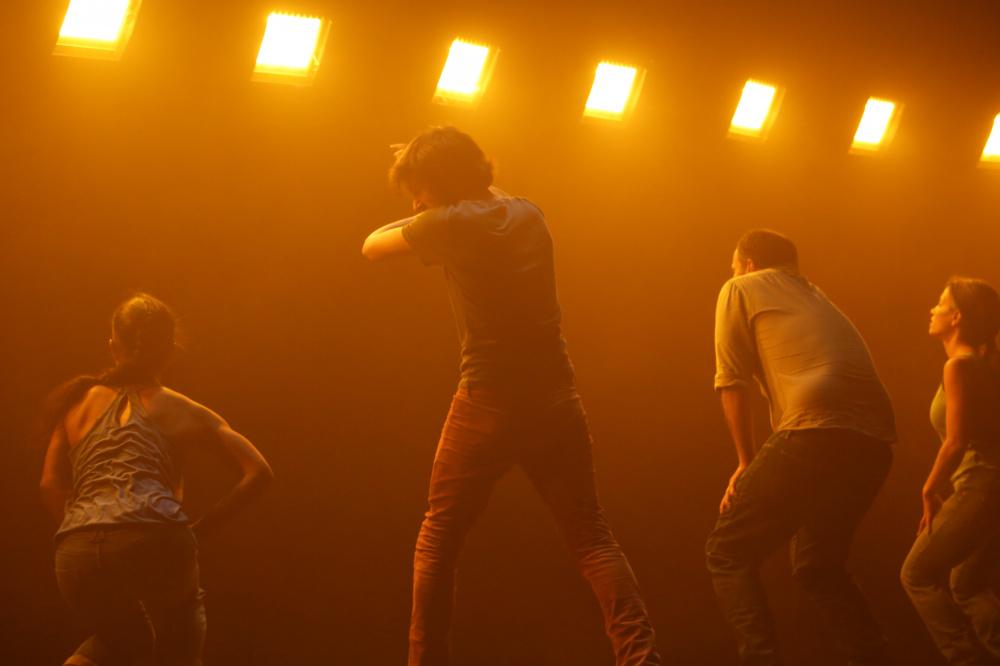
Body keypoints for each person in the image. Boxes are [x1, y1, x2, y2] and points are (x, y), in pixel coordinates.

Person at [362, 126, 660, 666]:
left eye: (419, 190)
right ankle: (641, 658)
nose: (414, 203)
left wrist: (430, 211)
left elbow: (372, 246)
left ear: (442, 184)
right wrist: (441, 182)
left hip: (487, 400)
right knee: (592, 538)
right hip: (556, 398)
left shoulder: (450, 224)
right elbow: (485, 193)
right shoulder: (528, 213)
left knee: (438, 536)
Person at [39, 293, 273, 666]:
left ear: (113, 346)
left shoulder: (75, 403)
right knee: (181, 629)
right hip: (154, 536)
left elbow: (49, 484)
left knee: (120, 642)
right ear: (169, 352)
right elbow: (258, 470)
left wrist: (82, 531)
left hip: (76, 550)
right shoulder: (182, 408)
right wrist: (199, 531)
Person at [705, 229, 896, 666]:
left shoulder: (740, 287)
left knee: (727, 551)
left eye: (733, 265)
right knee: (818, 566)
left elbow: (732, 381)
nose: (731, 273)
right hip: (873, 443)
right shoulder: (815, 296)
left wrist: (745, 462)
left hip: (815, 431)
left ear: (748, 263)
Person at [900, 277, 1000, 665]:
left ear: (956, 317)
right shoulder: (983, 366)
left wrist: (929, 489)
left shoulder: (959, 366)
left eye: (940, 304)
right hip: (988, 487)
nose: (932, 310)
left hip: (980, 485)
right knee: (967, 585)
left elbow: (956, 441)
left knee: (916, 574)